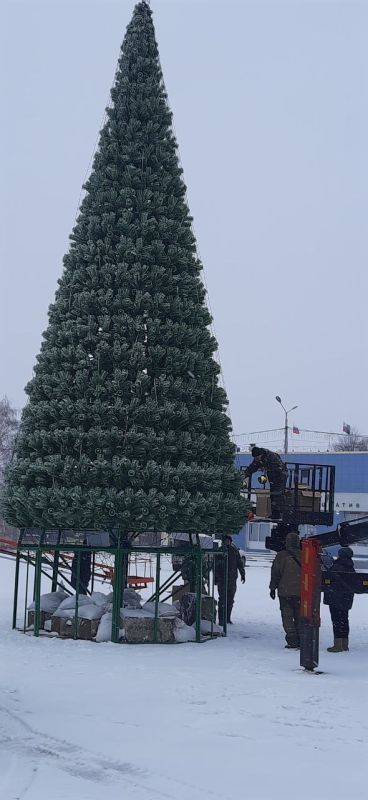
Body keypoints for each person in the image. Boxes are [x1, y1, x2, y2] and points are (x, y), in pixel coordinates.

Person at [269, 531, 301, 648]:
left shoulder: (281, 555)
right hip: (301, 592)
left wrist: (272, 588)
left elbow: (275, 573)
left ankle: (292, 639)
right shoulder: (304, 555)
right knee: (299, 615)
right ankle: (300, 637)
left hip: (285, 591)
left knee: (287, 616)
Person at [324, 546, 355, 653]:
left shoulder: (336, 566)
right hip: (346, 598)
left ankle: (337, 645)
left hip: (336, 598)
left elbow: (329, 580)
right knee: (344, 620)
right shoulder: (351, 567)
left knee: (336, 621)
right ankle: (345, 644)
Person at [243, 447, 288, 520]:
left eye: (257, 457)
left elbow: (278, 468)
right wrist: (243, 475)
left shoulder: (271, 456)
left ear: (261, 454)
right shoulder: (258, 459)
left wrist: (264, 466)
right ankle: (275, 514)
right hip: (272, 477)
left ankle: (279, 514)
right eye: (255, 458)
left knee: (278, 494)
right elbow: (252, 468)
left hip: (280, 476)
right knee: (272, 495)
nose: (256, 459)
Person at [215, 535, 245, 625]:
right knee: (222, 600)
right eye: (226, 540)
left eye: (229, 541)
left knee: (230, 600)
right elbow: (215, 566)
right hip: (222, 579)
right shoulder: (220, 551)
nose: (227, 542)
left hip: (232, 580)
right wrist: (216, 578)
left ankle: (228, 618)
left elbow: (239, 563)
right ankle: (221, 619)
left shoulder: (234, 551)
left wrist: (243, 574)